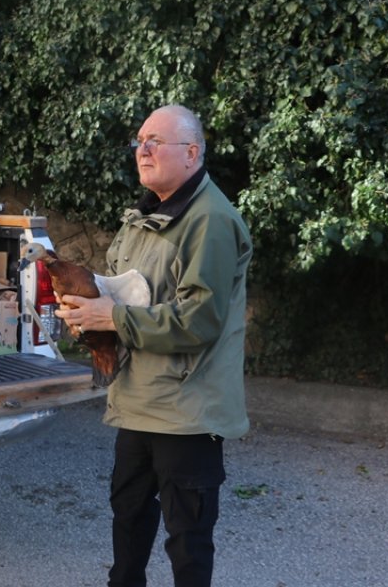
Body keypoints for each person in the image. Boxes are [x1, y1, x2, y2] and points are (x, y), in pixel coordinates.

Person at [55, 104, 252, 587]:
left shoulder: (210, 222)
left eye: (154, 141)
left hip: (188, 409)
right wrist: (90, 317)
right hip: (138, 400)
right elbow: (126, 294)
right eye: (139, 141)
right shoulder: (141, 218)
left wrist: (114, 316)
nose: (142, 150)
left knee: (187, 543)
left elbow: (200, 321)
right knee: (128, 526)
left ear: (192, 152)